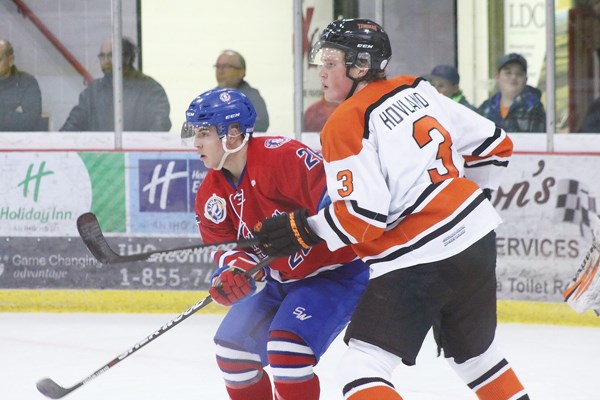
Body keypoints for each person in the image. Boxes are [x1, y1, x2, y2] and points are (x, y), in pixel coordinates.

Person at [253, 18, 530, 400]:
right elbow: (496, 145)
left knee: (360, 369)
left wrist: (304, 230)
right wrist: (467, 208)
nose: (322, 71)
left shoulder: (344, 123)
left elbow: (363, 218)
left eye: (331, 62)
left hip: (419, 257)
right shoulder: (418, 89)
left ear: (360, 66)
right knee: (477, 359)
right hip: (477, 241)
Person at [181, 88, 368, 400]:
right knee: (233, 355)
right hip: (277, 281)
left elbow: (339, 197)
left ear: (234, 133)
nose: (196, 143)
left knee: (288, 353)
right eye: (194, 134)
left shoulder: (282, 156)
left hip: (335, 274)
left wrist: (307, 227)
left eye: (204, 133)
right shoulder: (210, 195)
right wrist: (236, 276)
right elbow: (229, 252)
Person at [60, 37, 171, 131]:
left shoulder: (151, 89)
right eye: (102, 56)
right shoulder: (92, 93)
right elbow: (71, 127)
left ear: (127, 57)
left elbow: (160, 126)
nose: (106, 61)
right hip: (99, 156)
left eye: (111, 56)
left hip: (135, 154)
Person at [477, 52, 545, 133]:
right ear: (497, 77)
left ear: (526, 79)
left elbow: (537, 143)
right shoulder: (485, 108)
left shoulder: (534, 108)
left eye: (519, 74)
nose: (513, 77)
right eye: (508, 73)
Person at [214, 49, 269, 132]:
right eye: (218, 66)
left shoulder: (252, 96)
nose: (220, 71)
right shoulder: (210, 97)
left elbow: (262, 124)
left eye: (226, 66)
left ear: (241, 72)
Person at [0, 39, 42, 131]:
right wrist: (12, 114)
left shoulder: (27, 83)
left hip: (18, 143)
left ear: (11, 60)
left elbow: (31, 121)